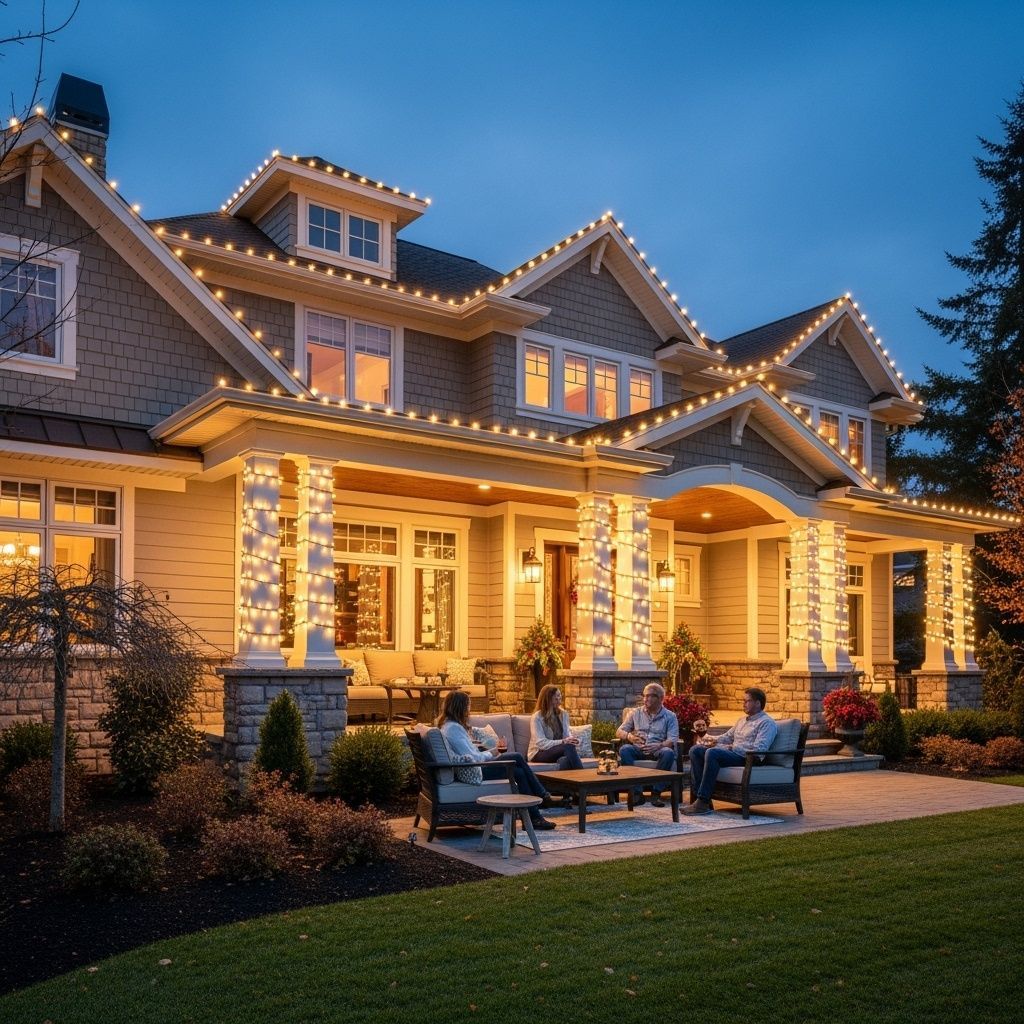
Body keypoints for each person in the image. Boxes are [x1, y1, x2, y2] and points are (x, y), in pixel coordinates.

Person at [436, 690, 557, 829]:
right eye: (468, 705)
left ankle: (534, 818)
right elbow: (474, 758)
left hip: (477, 766)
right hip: (477, 771)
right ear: (460, 707)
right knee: (516, 756)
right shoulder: (453, 729)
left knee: (519, 773)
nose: (469, 709)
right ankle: (543, 795)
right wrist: (492, 753)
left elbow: (471, 752)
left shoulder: (451, 726)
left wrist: (489, 751)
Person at [683, 686, 778, 815]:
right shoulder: (742, 721)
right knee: (696, 750)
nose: (743, 704)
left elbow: (759, 750)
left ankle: (702, 801)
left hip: (749, 758)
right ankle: (703, 801)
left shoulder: (766, 723)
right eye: (743, 701)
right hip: (734, 754)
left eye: (747, 701)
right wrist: (709, 739)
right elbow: (726, 737)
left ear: (757, 703)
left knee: (713, 753)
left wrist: (733, 747)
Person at [616, 682, 679, 807]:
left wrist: (659, 745)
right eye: (644, 695)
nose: (646, 699)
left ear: (661, 698)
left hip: (658, 750)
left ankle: (656, 792)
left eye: (650, 696)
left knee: (668, 752)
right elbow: (619, 731)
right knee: (625, 749)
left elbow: (673, 739)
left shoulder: (670, 716)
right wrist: (631, 737)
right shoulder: (635, 713)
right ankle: (637, 793)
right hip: (639, 749)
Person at [528, 684, 584, 771]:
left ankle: (568, 783)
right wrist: (563, 742)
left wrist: (573, 740)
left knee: (564, 761)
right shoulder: (537, 717)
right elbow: (541, 743)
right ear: (547, 700)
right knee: (567, 747)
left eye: (560, 697)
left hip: (557, 751)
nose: (559, 701)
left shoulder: (563, 714)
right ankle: (583, 777)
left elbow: (566, 735)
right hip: (539, 753)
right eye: (555, 699)